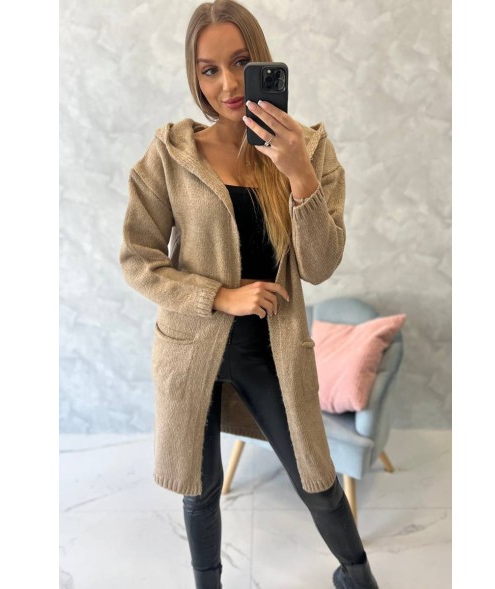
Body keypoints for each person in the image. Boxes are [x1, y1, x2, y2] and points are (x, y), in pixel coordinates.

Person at [119, 1, 380, 587]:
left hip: (272, 352)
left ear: (264, 62)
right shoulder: (172, 154)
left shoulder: (309, 149)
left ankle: (358, 577)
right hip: (191, 349)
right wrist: (220, 295)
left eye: (241, 63)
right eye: (209, 70)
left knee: (316, 478)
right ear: (194, 77)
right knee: (200, 488)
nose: (229, 85)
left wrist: (299, 175)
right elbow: (139, 259)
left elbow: (320, 266)